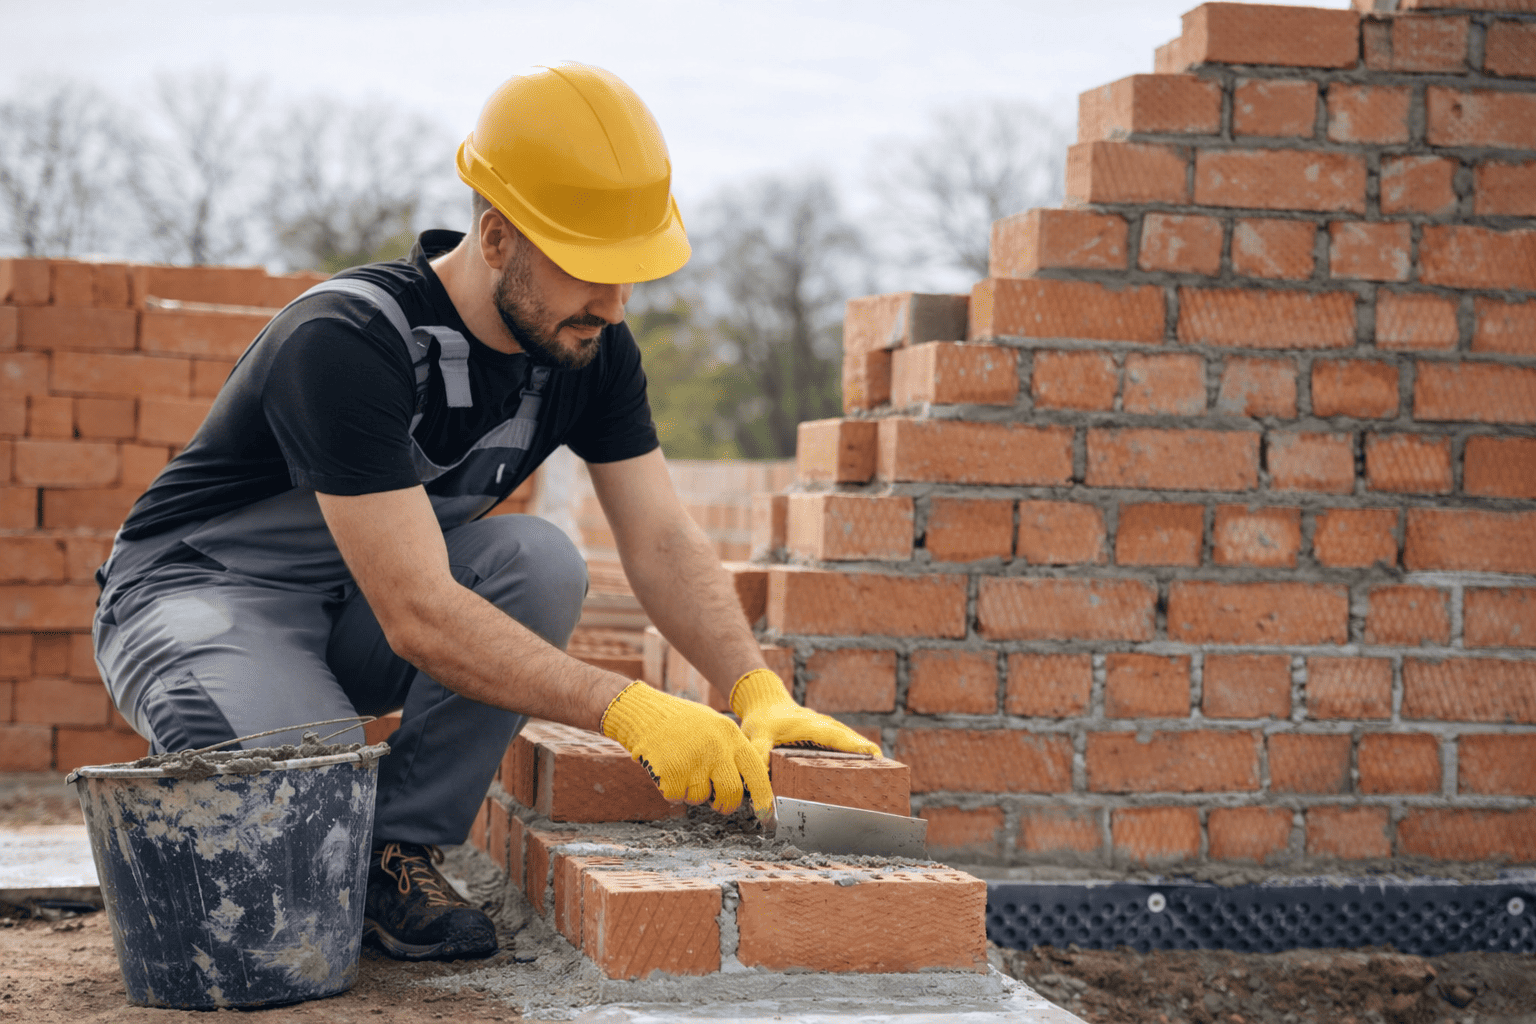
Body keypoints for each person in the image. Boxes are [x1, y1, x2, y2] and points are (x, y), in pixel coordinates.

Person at [91, 63, 879, 963]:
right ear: (498, 236)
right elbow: (419, 611)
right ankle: (255, 772)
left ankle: (399, 850)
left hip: (350, 605)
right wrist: (629, 710)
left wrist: (753, 689)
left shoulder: (589, 347)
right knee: (298, 869)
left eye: (630, 278)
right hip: (199, 599)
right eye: (591, 273)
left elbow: (661, 537)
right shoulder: (347, 341)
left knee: (538, 561)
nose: (615, 307)